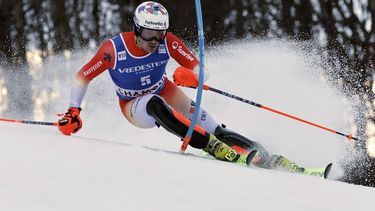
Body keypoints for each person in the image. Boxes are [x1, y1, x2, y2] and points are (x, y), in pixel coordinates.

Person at [57, 1, 305, 172]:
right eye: (148, 34)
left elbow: (201, 70)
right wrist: (73, 111)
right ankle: (209, 146)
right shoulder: (114, 50)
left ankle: (267, 156)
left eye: (159, 34)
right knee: (155, 104)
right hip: (134, 105)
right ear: (136, 29)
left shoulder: (168, 43)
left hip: (164, 88)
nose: (154, 41)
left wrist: (192, 77)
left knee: (215, 127)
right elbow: (82, 77)